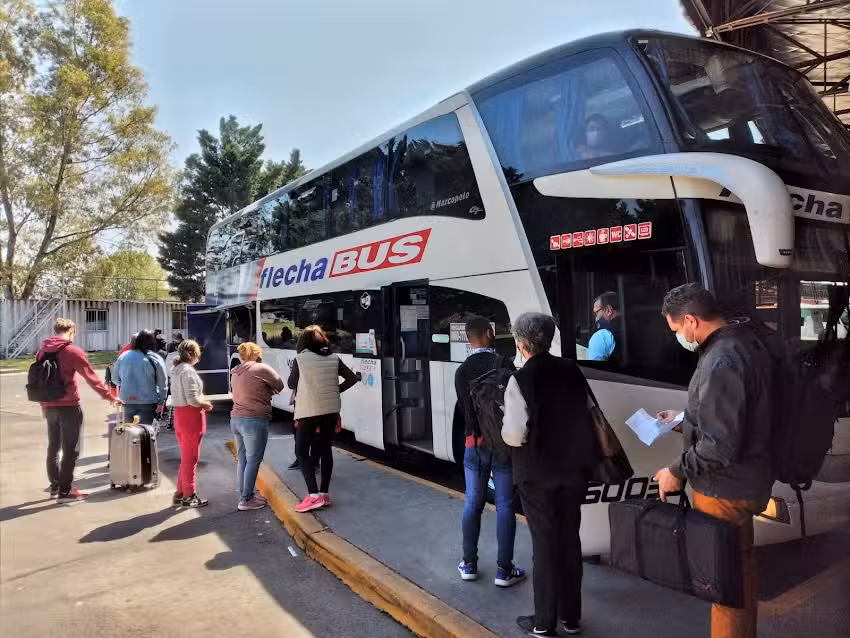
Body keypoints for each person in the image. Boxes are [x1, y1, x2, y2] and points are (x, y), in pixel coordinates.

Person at [654, 283, 774, 638]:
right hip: (746, 480)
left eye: (676, 329)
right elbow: (738, 418)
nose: (678, 336)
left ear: (691, 320)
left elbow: (720, 445)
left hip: (725, 489)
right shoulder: (746, 342)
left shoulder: (722, 359)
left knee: (723, 586)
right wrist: (684, 420)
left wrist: (676, 471)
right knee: (740, 573)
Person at [501, 312, 599, 637]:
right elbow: (587, 412)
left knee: (544, 544)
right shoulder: (572, 369)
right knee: (570, 540)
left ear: (521, 343)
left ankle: (543, 622)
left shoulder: (520, 379)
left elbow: (515, 435)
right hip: (574, 470)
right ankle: (571, 618)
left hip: (537, 474)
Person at [454, 316, 525, 587]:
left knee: (473, 502)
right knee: (505, 505)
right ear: (489, 333)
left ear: (468, 338)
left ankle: (469, 564)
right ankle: (504, 570)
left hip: (474, 444)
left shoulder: (461, 372)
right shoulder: (504, 363)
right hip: (503, 445)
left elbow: (465, 411)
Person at [38, 318, 123, 501]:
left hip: (49, 406)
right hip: (69, 406)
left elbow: (38, 381)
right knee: (71, 449)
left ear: (55, 331)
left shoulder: (42, 351)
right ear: (71, 332)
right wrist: (110, 397)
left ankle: (55, 485)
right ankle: (65, 490)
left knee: (53, 446)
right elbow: (92, 378)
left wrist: (44, 405)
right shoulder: (72, 351)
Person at [287, 325, 358, 513]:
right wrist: (336, 390)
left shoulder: (300, 359)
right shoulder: (333, 358)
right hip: (331, 409)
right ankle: (324, 494)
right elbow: (352, 378)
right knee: (326, 450)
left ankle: (313, 495)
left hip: (308, 410)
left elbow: (291, 383)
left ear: (303, 342)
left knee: (302, 451)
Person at [230, 342, 285, 511]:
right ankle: (246, 499)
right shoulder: (261, 368)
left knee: (243, 460)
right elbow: (280, 385)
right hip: (254, 420)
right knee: (253, 460)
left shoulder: (236, 371)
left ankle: (245, 495)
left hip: (236, 419)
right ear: (256, 354)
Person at [169, 340, 213, 507]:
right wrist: (205, 404)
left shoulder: (176, 369)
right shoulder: (188, 371)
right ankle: (189, 495)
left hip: (180, 416)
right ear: (194, 353)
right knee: (191, 458)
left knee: (186, 457)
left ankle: (181, 492)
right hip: (191, 417)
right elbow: (193, 399)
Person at [113, 329, 167, 425]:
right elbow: (163, 384)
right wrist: (161, 402)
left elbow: (115, 379)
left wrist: (127, 381)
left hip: (127, 400)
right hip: (148, 401)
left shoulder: (123, 356)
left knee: (129, 430)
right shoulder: (156, 358)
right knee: (145, 431)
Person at [587, 291, 623, 363]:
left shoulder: (601, 336)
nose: (596, 319)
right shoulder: (641, 329)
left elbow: (594, 369)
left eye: (596, 313)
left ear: (608, 310)